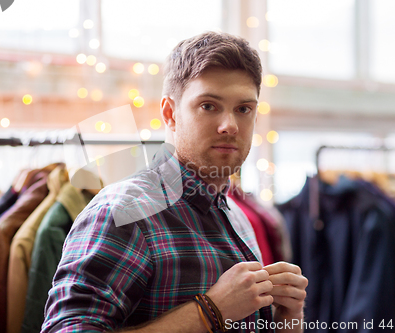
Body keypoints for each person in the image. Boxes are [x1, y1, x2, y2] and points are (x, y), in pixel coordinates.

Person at [42, 31, 308, 333]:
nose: (230, 126)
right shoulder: (123, 211)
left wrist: (289, 317)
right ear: (170, 113)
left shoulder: (238, 219)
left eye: (243, 109)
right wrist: (210, 311)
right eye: (209, 106)